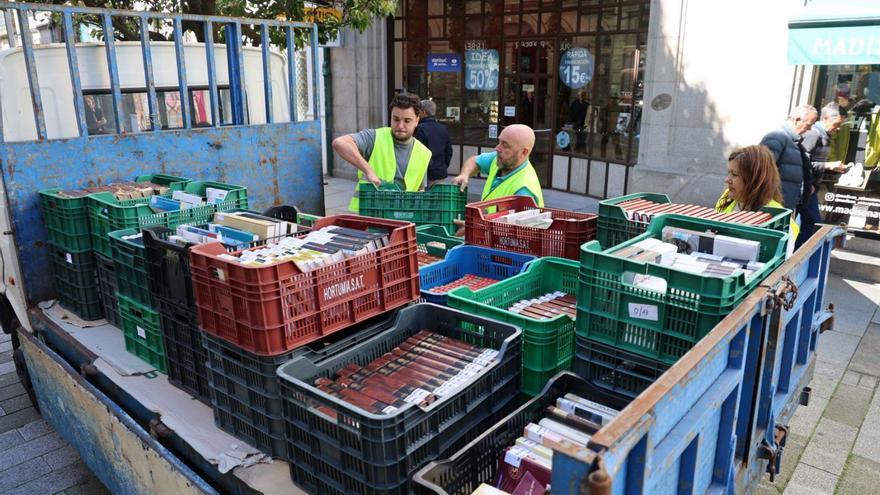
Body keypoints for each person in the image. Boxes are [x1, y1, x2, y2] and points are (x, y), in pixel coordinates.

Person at [332, 94, 432, 213]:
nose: (400, 126)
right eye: (396, 119)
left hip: (400, 218)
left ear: (416, 121)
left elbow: (419, 189)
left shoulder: (424, 153)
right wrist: (369, 170)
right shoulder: (375, 137)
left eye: (407, 121)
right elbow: (340, 143)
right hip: (367, 217)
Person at [715, 145, 799, 251]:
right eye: (729, 172)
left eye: (735, 174)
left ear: (755, 180)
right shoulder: (726, 198)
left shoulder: (780, 217)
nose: (727, 179)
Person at [759, 103, 817, 247]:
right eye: (809, 124)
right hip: (772, 207)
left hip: (783, 206)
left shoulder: (793, 141)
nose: (810, 129)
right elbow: (761, 170)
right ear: (797, 120)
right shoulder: (778, 137)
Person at [451, 124, 544, 206]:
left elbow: (516, 226)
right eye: (499, 142)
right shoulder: (500, 159)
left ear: (523, 152)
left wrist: (473, 225)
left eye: (505, 145)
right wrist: (465, 174)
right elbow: (474, 161)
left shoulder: (524, 191)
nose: (497, 148)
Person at [801, 103, 848, 240]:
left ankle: (799, 254)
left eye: (841, 125)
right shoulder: (814, 134)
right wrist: (828, 165)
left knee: (811, 225)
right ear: (826, 118)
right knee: (813, 224)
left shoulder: (824, 135)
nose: (838, 128)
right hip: (805, 186)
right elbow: (803, 162)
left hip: (810, 186)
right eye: (837, 124)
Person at [414, 100, 453, 187]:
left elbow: (417, 153)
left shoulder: (419, 129)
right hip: (440, 173)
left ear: (423, 112)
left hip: (424, 174)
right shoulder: (443, 128)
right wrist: (443, 166)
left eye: (419, 112)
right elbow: (449, 151)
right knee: (438, 199)